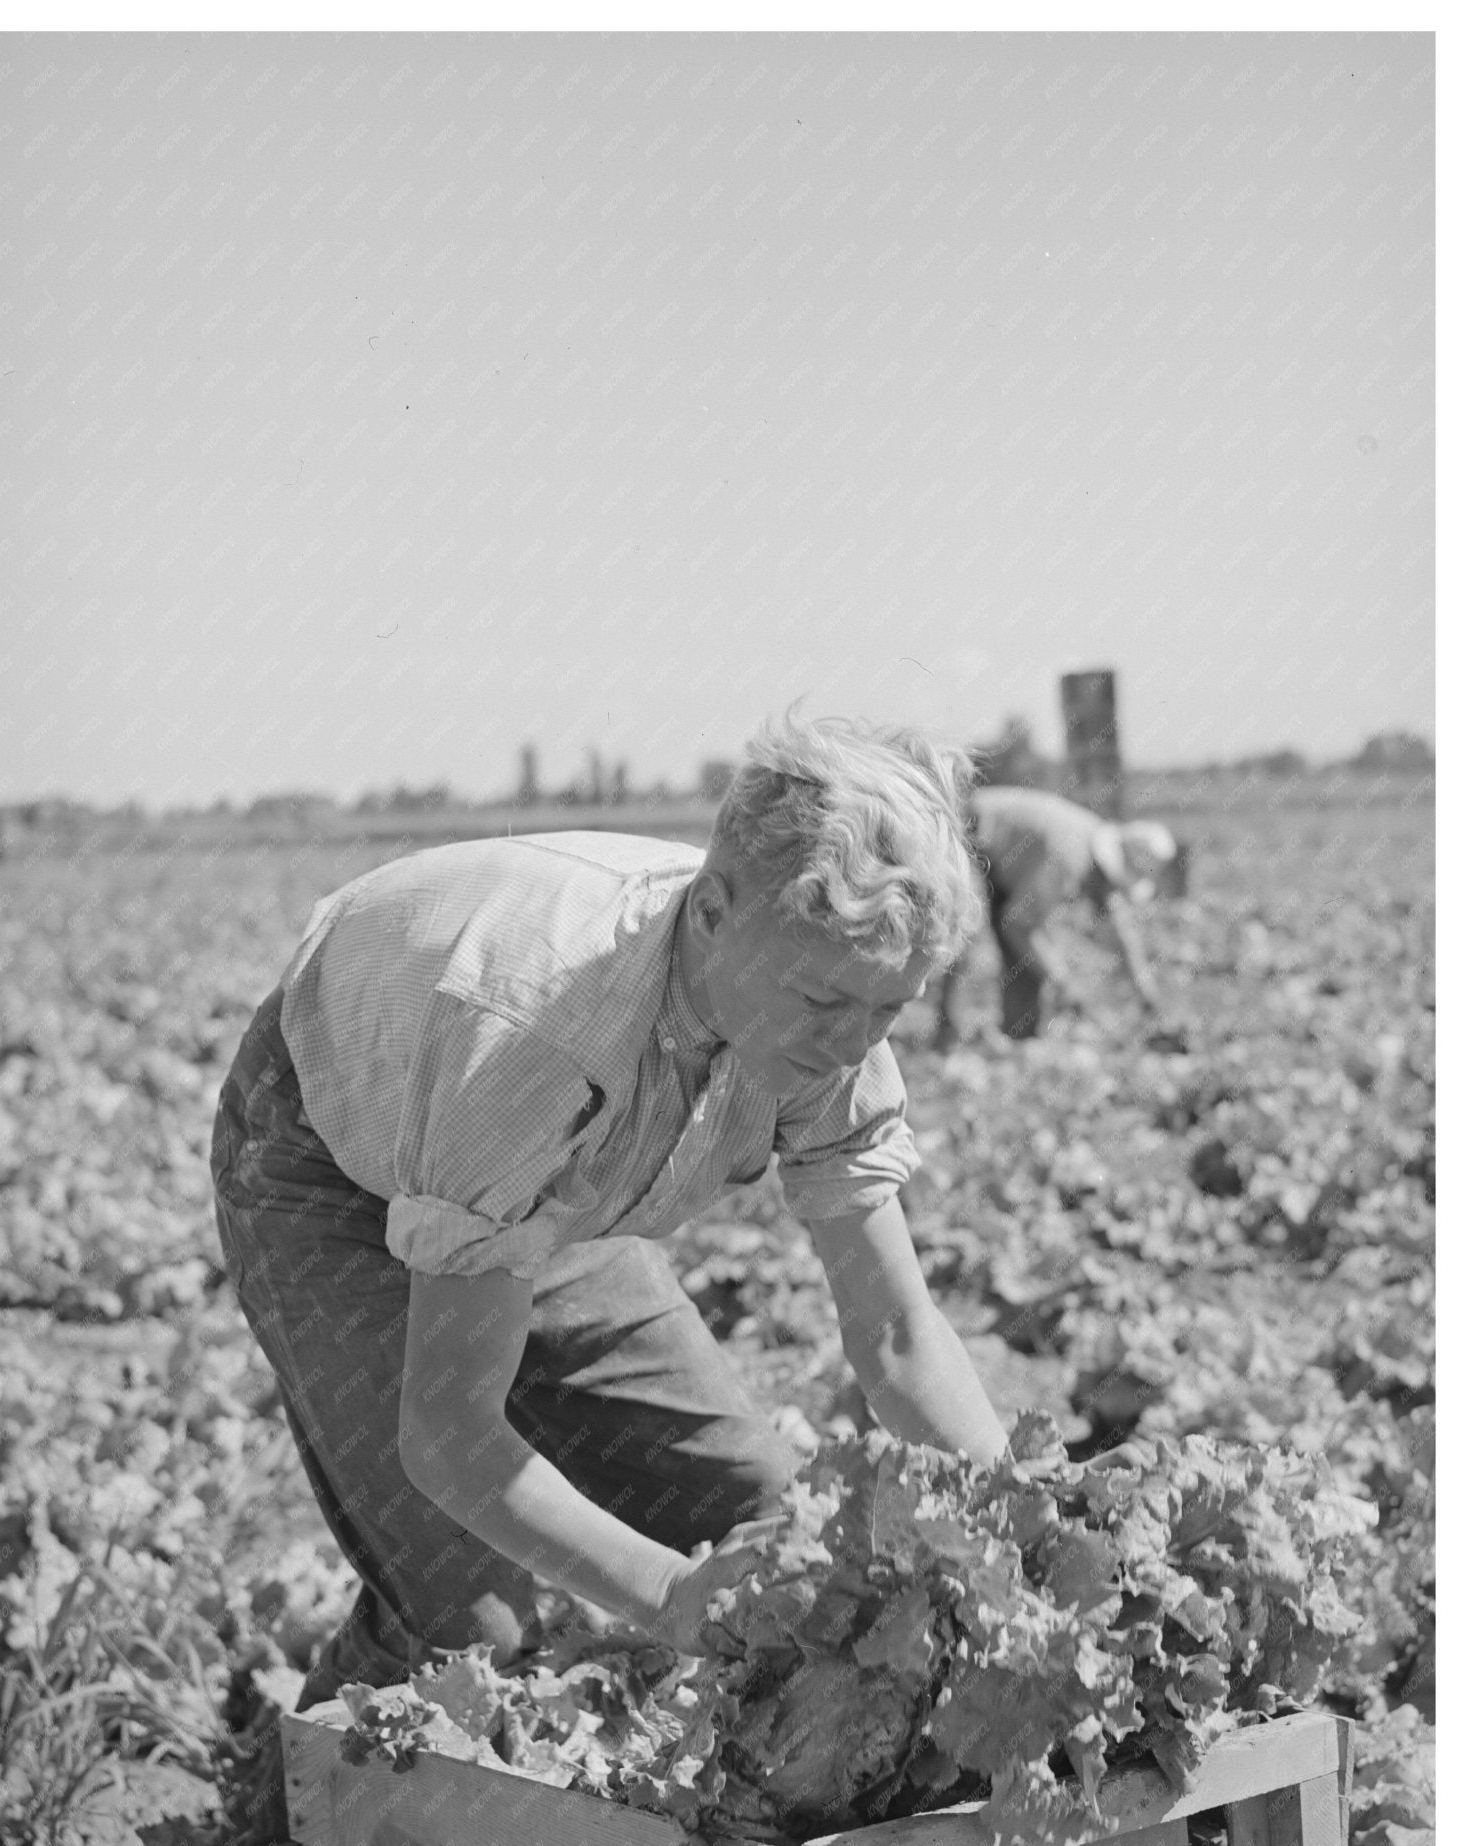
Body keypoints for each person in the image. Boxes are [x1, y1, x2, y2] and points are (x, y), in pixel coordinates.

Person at [211, 714, 1010, 1715]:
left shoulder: (829, 996)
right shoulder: (530, 1045)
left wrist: (1024, 1531)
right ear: (712, 912)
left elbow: (894, 1333)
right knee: (470, 1628)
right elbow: (450, 1432)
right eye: (826, 1002)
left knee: (768, 1528)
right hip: (333, 1157)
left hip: (537, 1188)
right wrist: (673, 1598)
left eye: (888, 1009)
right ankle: (295, 1817)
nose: (853, 1045)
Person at [929, 784, 1187, 1046]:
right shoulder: (1067, 861)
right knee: (966, 933)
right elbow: (1018, 925)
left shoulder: (1096, 854)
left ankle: (1020, 1037)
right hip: (968, 831)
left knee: (1025, 958)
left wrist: (1147, 993)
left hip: (1005, 861)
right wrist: (1063, 981)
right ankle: (947, 1038)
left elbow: (1121, 934)